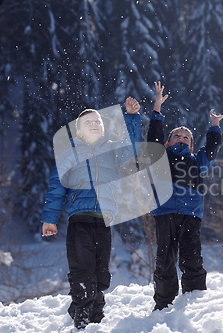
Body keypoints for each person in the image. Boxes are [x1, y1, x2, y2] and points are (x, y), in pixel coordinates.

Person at [41, 97, 141, 329]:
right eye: (88, 122)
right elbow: (56, 187)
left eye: (97, 121)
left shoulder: (113, 150)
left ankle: (93, 313)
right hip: (80, 219)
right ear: (79, 131)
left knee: (101, 273)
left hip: (104, 220)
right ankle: (83, 317)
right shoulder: (69, 155)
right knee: (82, 268)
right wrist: (49, 219)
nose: (94, 124)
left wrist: (132, 118)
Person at [147, 82, 223, 311]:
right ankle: (163, 303)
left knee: (191, 256)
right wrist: (157, 109)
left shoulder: (197, 161)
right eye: (177, 136)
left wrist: (214, 126)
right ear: (168, 142)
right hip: (164, 212)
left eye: (186, 137)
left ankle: (194, 300)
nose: (181, 138)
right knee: (165, 260)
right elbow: (153, 138)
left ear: (192, 147)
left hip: (191, 214)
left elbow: (212, 149)